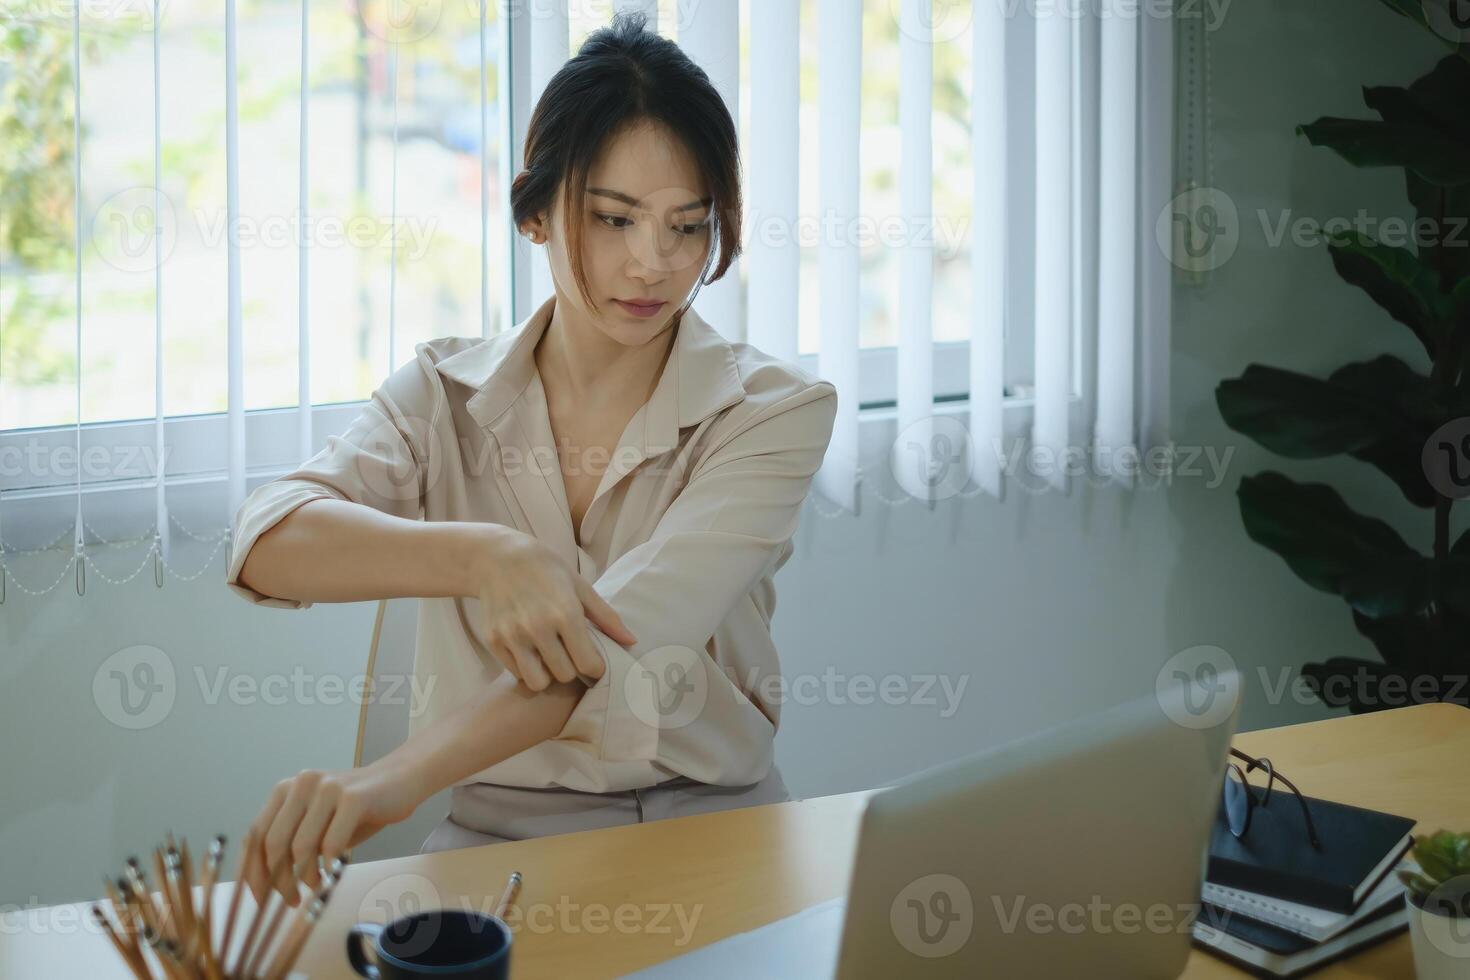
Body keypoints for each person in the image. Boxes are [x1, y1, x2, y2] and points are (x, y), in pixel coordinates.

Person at [224, 10, 838, 909]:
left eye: (687, 226)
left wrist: (391, 782)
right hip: (495, 836)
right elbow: (265, 537)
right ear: (536, 212)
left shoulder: (774, 412)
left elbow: (611, 642)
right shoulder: (443, 393)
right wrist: (483, 556)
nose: (652, 264)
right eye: (614, 219)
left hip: (719, 823)